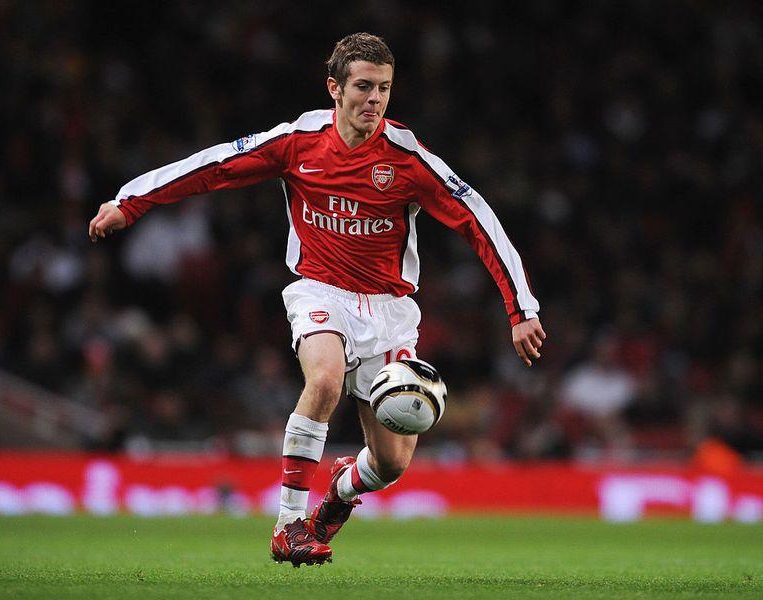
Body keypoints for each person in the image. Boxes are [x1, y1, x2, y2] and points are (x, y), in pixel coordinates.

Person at [89, 32, 545, 567]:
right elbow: (215, 166)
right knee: (324, 379)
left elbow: (477, 219)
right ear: (335, 88)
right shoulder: (298, 142)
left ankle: (339, 495)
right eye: (364, 86)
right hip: (319, 290)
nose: (374, 99)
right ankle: (288, 526)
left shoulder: (409, 160)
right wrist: (130, 201)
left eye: (384, 88)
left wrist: (521, 309)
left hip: (389, 309)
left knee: (392, 463)